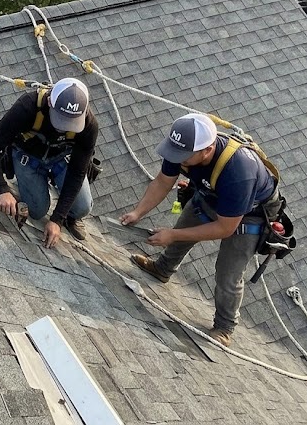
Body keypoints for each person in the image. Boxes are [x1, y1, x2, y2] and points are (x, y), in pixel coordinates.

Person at [119, 113, 280, 348]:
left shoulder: (239, 171)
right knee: (187, 222)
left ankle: (224, 326)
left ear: (207, 150)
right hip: (210, 196)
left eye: (183, 157)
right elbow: (163, 181)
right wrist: (137, 212)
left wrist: (172, 235)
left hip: (249, 215)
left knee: (228, 271)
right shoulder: (182, 147)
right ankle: (163, 269)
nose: (178, 160)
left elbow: (225, 227)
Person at [0, 78, 98, 248]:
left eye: (70, 123)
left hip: (61, 160)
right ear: (50, 101)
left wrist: (57, 219)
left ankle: (69, 217)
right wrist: (1, 189)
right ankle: (24, 189)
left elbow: (77, 173)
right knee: (36, 211)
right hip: (28, 157)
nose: (64, 128)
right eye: (61, 119)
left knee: (82, 207)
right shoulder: (28, 106)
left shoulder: (89, 125)